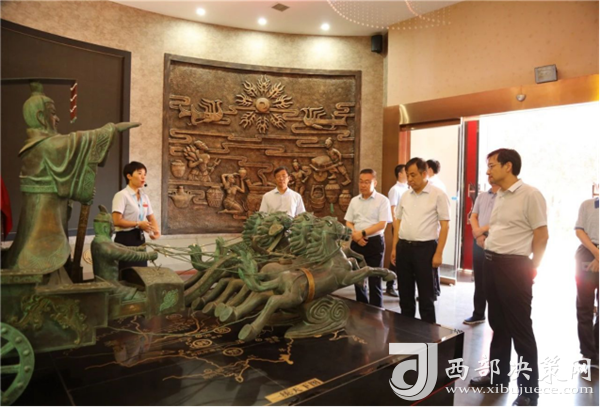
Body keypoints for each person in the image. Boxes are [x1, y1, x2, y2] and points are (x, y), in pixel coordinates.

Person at [5, 82, 139, 274]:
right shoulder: (44, 146)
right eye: (53, 113)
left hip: (46, 207)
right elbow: (78, 140)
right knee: (37, 248)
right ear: (40, 117)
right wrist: (112, 129)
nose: (57, 118)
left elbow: (72, 142)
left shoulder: (37, 145)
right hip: (44, 211)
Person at [469, 148, 548, 407]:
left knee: (520, 330)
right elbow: (501, 227)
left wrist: (533, 265)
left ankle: (528, 392)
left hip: (515, 267)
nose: (488, 171)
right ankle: (498, 376)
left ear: (508, 166)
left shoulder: (530, 195)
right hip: (491, 263)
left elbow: (542, 235)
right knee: (498, 325)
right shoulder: (500, 195)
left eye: (492, 165)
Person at [391, 157, 450, 324]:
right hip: (404, 248)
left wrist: (439, 253)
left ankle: (428, 338)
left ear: (424, 174)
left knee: (426, 297)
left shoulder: (438, 194)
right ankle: (406, 335)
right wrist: (394, 248)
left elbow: (445, 226)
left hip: (425, 249)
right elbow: (398, 223)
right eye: (408, 175)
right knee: (405, 295)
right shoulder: (405, 195)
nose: (409, 179)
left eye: (413, 175)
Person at [345, 169, 393, 308]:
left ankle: (376, 311)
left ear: (375, 183)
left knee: (375, 279)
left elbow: (382, 224)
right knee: (358, 279)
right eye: (361, 181)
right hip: (356, 242)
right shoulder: (354, 201)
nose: (363, 185)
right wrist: (355, 235)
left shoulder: (382, 200)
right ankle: (362, 308)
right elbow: (348, 222)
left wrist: (362, 233)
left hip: (374, 243)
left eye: (367, 182)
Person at [463, 180, 500, 325]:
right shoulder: (482, 196)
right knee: (479, 279)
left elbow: (501, 220)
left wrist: (481, 231)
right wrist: (478, 234)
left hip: (496, 241)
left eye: (492, 169)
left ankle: (497, 320)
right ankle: (478, 313)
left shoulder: (506, 196)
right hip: (479, 241)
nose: (489, 173)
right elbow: (473, 216)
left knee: (495, 282)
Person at [112, 161, 160, 270]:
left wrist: (156, 231)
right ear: (129, 176)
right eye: (139, 173)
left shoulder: (144, 197)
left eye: (145, 174)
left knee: (142, 272)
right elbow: (116, 221)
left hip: (140, 239)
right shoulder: (121, 195)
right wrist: (138, 224)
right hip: (125, 239)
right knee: (128, 272)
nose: (143, 177)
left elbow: (151, 217)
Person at [574, 196, 599, 367]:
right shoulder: (587, 204)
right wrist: (597, 254)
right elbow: (579, 230)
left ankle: (596, 347)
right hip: (587, 253)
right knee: (584, 307)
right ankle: (588, 353)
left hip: (593, 254)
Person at [385, 164, 408, 297]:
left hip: (407, 227)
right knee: (396, 255)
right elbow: (393, 210)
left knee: (403, 256)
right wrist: (396, 228)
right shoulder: (395, 190)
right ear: (400, 174)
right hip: (399, 227)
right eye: (406, 172)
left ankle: (401, 284)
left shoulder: (407, 189)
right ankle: (390, 285)